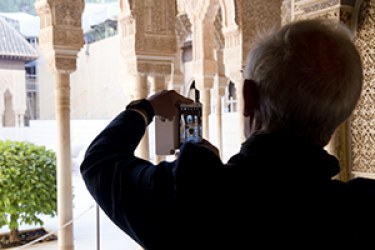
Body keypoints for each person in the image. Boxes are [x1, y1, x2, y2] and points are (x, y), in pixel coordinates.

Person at [80, 19, 375, 249]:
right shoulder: (359, 213)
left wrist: (146, 108)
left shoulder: (192, 199)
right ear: (344, 113)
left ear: (248, 96)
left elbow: (99, 162)